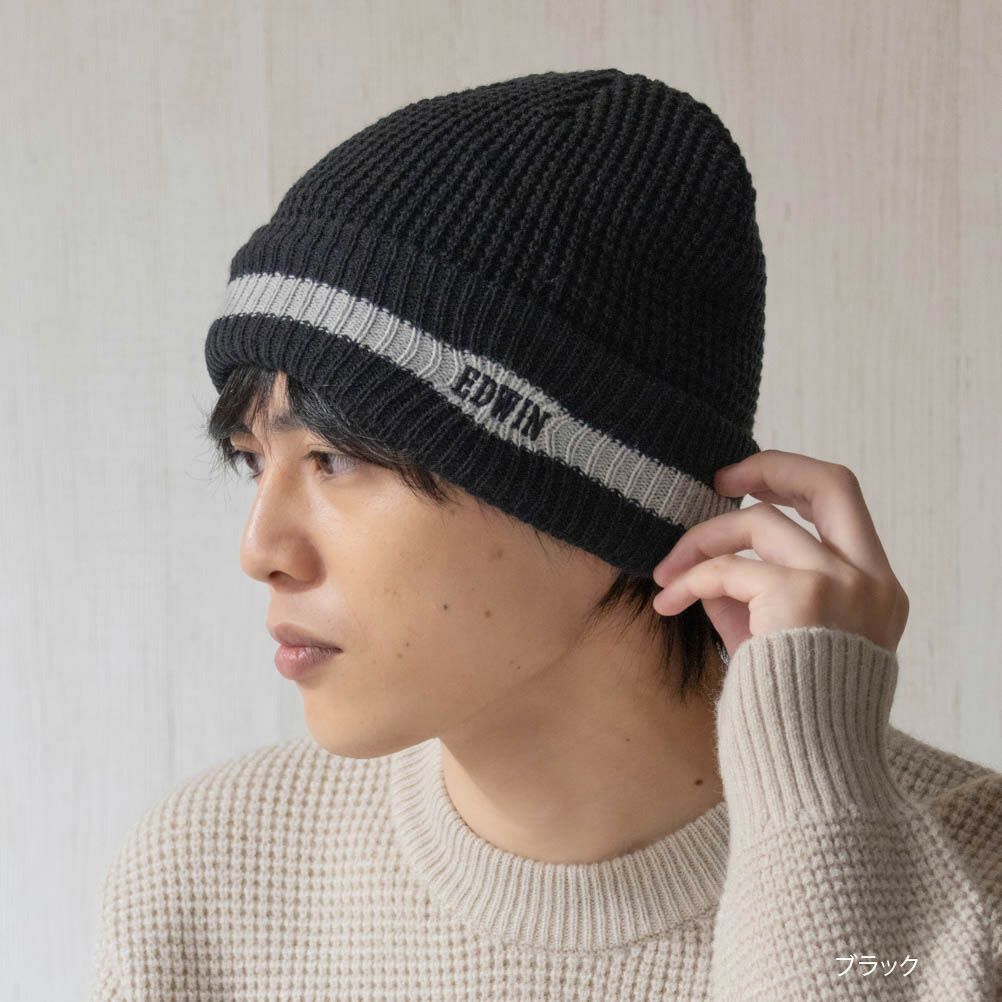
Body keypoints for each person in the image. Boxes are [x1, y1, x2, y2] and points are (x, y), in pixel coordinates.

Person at [91, 68, 1002, 1000]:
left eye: (333, 459)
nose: (260, 551)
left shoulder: (977, 882)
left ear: (600, 496)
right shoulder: (213, 883)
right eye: (253, 460)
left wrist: (822, 806)